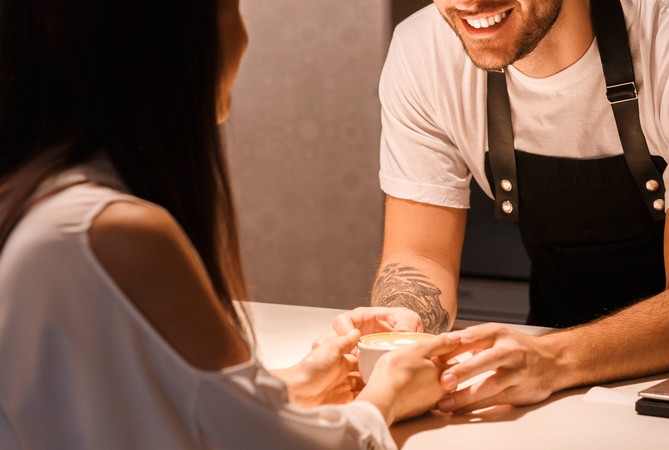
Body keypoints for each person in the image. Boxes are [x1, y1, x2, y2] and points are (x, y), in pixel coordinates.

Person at [0, 0, 460, 448]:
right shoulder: (119, 233)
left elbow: (119, 409)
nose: (245, 37)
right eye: (232, 8)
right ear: (171, 38)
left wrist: (289, 385)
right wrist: (390, 394)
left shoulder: (41, 199)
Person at [334, 0, 669, 415]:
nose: (469, 3)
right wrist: (405, 324)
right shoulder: (423, 51)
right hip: (556, 385)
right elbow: (420, 256)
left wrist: (551, 359)